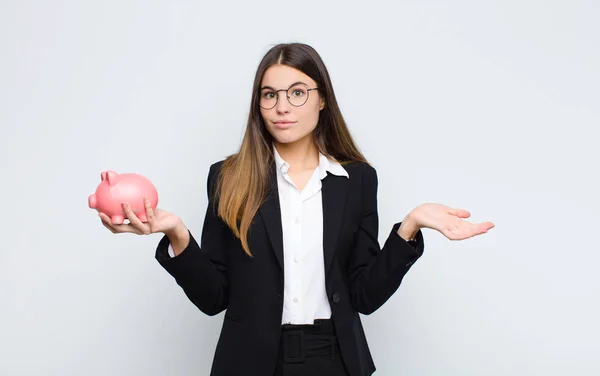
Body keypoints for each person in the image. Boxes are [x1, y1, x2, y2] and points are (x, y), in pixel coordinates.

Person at [99, 43, 495, 376]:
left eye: (297, 92)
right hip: (250, 362)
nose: (281, 107)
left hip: (334, 358)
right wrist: (177, 235)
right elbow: (214, 298)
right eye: (269, 94)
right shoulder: (228, 177)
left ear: (322, 99)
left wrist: (410, 226)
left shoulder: (357, 181)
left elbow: (364, 295)